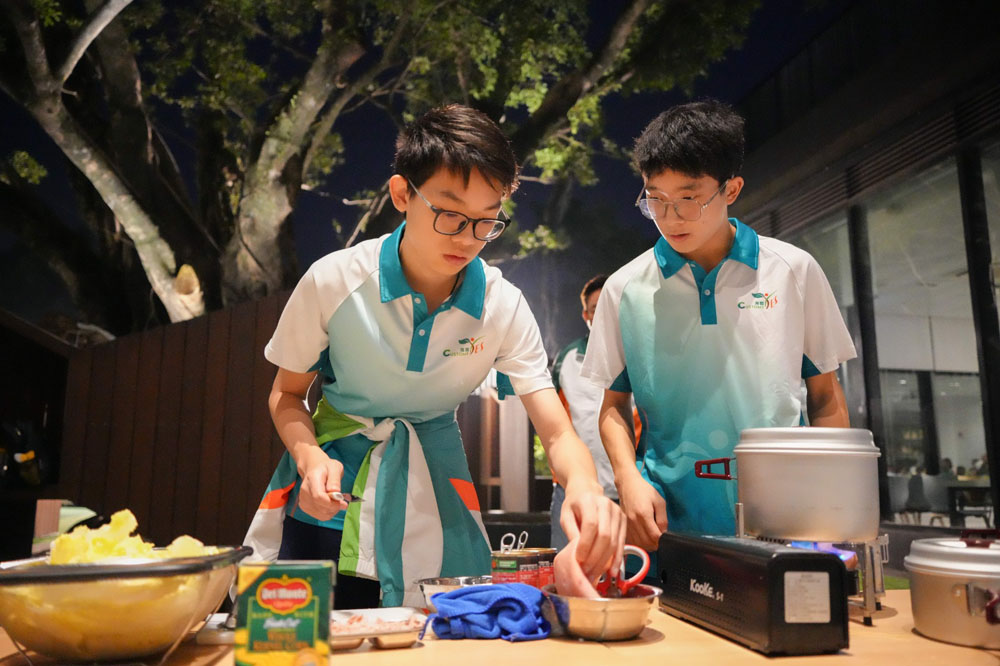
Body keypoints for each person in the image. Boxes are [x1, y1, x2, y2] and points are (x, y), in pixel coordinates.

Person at [245, 104, 624, 608]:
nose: (467, 239)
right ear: (403, 194)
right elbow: (287, 394)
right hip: (331, 501)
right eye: (450, 214)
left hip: (435, 500)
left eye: (486, 221)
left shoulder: (502, 305)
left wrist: (584, 486)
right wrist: (310, 457)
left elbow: (555, 431)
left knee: (448, 635)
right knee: (308, 635)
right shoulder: (334, 280)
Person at [580, 99, 856, 551]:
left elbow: (825, 396)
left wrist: (833, 506)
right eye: (655, 199)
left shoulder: (793, 270)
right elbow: (613, 406)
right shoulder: (624, 288)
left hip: (785, 517)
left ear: (731, 190)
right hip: (670, 523)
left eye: (689, 199)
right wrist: (628, 480)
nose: (670, 218)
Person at [549, 275, 625, 549]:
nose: (602, 313)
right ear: (586, 315)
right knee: (568, 567)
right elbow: (552, 422)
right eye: (595, 308)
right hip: (572, 489)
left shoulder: (637, 354)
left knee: (628, 570)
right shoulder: (567, 358)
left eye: (609, 305)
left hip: (628, 490)